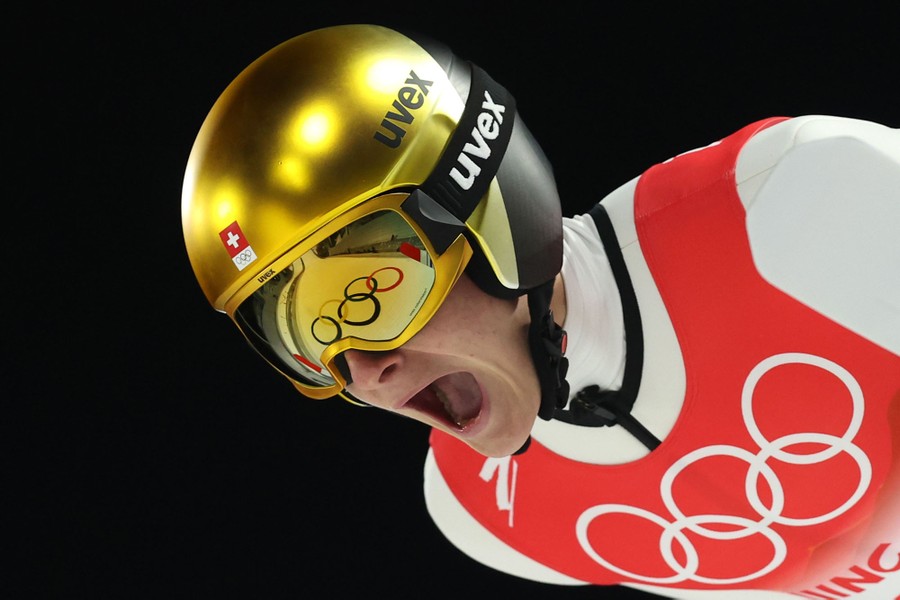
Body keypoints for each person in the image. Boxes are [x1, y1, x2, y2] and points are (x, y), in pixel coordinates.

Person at [181, 24, 900, 599]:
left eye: (369, 294)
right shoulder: (486, 521)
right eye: (307, 338)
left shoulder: (802, 207)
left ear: (491, 211)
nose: (364, 375)